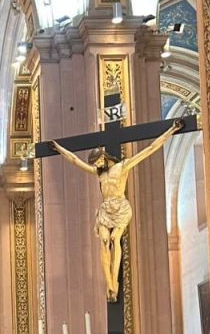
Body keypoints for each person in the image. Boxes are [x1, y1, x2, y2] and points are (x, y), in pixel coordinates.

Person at [50, 119, 182, 301]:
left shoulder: (122, 167)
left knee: (114, 239)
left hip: (120, 208)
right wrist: (58, 148)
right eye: (95, 164)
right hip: (106, 210)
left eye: (97, 162)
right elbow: (75, 161)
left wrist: (172, 130)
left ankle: (114, 281)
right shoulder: (100, 174)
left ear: (104, 157)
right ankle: (110, 284)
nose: (96, 166)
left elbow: (150, 149)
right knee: (104, 241)